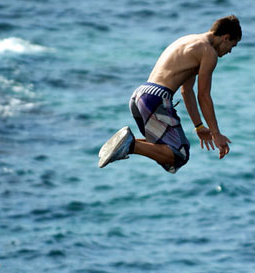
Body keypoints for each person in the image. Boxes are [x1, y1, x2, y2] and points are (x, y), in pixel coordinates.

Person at [98, 15, 241, 173]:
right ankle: (130, 144)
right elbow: (204, 96)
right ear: (225, 38)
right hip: (157, 98)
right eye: (232, 46)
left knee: (167, 150)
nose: (229, 52)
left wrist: (199, 126)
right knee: (180, 154)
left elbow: (186, 91)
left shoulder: (189, 40)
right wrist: (216, 134)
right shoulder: (209, 53)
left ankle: (123, 143)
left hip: (140, 95)